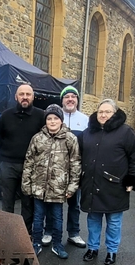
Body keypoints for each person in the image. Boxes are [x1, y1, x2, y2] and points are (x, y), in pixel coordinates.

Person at [79, 99, 135, 265]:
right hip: (92, 184)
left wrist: (132, 178)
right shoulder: (88, 132)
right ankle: (92, 248)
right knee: (93, 220)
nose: (103, 115)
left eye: (107, 112)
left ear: (114, 114)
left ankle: (111, 251)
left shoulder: (125, 132)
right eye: (101, 112)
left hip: (115, 186)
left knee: (113, 222)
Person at [22, 104, 81, 259]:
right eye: (49, 118)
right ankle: (36, 243)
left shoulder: (70, 139)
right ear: (45, 121)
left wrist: (72, 186)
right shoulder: (37, 138)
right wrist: (27, 184)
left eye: (56, 118)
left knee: (57, 217)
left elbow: (75, 164)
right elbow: (29, 162)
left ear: (61, 121)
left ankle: (57, 244)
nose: (52, 121)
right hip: (39, 186)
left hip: (59, 188)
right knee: (38, 217)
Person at [0, 83, 45, 234]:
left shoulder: (41, 116)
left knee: (28, 202)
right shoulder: (6, 115)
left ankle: (25, 233)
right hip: (8, 164)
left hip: (30, 166)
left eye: (28, 94)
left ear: (33, 97)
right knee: (7, 201)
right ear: (16, 96)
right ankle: (7, 232)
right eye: (22, 94)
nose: (25, 97)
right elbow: (0, 137)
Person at [44, 86, 88, 248]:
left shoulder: (85, 120)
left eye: (73, 96)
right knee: (51, 203)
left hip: (75, 171)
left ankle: (74, 233)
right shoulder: (55, 119)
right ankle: (48, 231)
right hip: (55, 171)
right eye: (66, 96)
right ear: (61, 100)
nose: (70, 99)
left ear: (77, 100)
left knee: (74, 204)